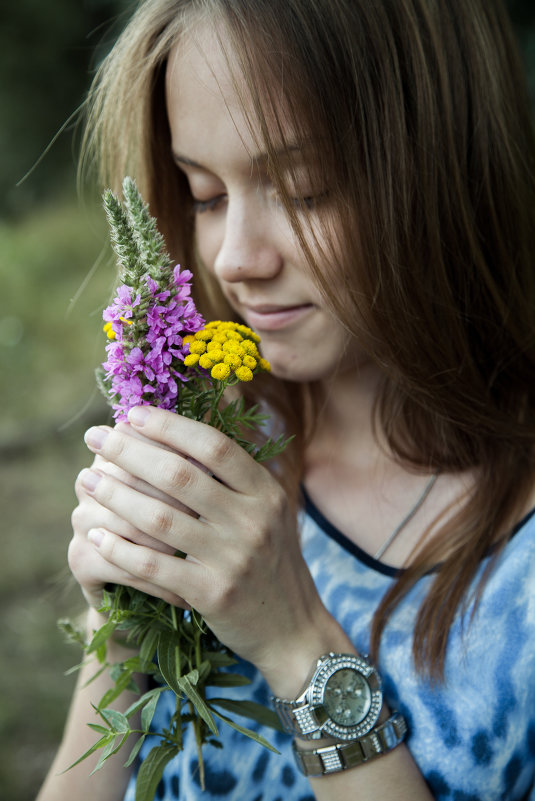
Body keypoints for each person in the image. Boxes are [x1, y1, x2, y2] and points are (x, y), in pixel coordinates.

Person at [37, 0, 535, 799]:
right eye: (203, 194)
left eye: (305, 191)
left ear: (444, 164)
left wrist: (295, 638)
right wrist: (121, 632)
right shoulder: (220, 435)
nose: (235, 259)